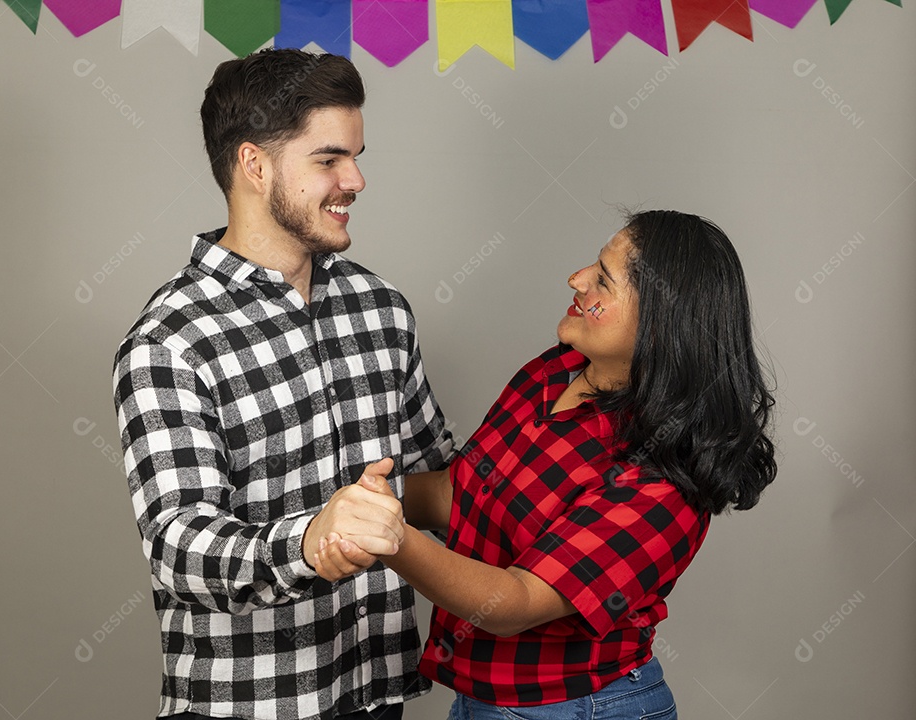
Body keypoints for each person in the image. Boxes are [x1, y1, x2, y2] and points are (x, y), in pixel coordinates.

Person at [316, 210, 777, 719]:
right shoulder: (555, 370)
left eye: (603, 280)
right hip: (484, 699)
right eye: (592, 265)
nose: (576, 279)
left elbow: (513, 603)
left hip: (578, 708)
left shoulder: (660, 483)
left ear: (660, 323)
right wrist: (347, 499)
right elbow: (459, 492)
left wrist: (388, 537)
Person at [112, 49, 454, 720]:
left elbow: (434, 475)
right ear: (255, 165)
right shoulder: (170, 341)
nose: (355, 180)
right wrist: (310, 542)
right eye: (329, 160)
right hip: (248, 704)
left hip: (375, 691)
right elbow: (179, 548)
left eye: (356, 157)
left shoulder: (381, 308)